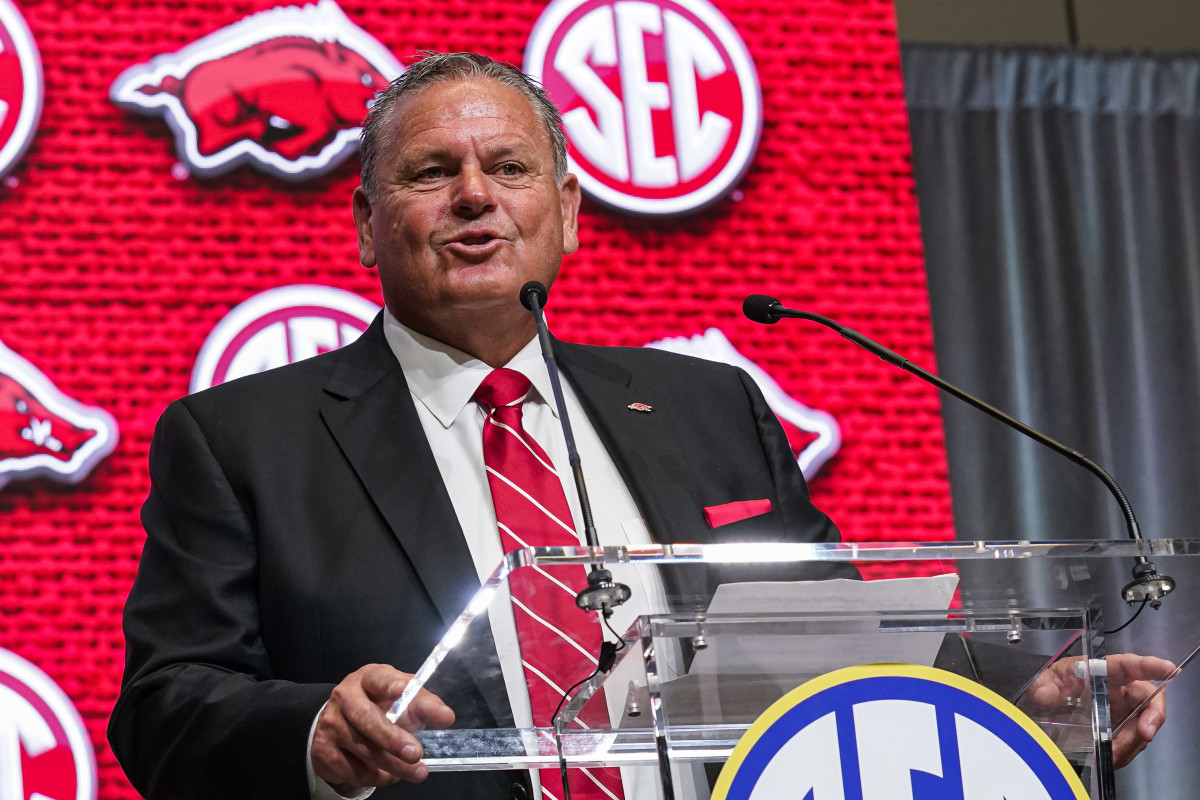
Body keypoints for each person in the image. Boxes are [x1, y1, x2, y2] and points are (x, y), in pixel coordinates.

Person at [107, 52, 1168, 800]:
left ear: (566, 213)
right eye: (433, 173)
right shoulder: (245, 438)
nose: (477, 197)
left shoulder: (708, 407)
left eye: (511, 169)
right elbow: (162, 705)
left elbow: (830, 642)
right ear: (367, 223)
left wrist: (1020, 697)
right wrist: (310, 729)